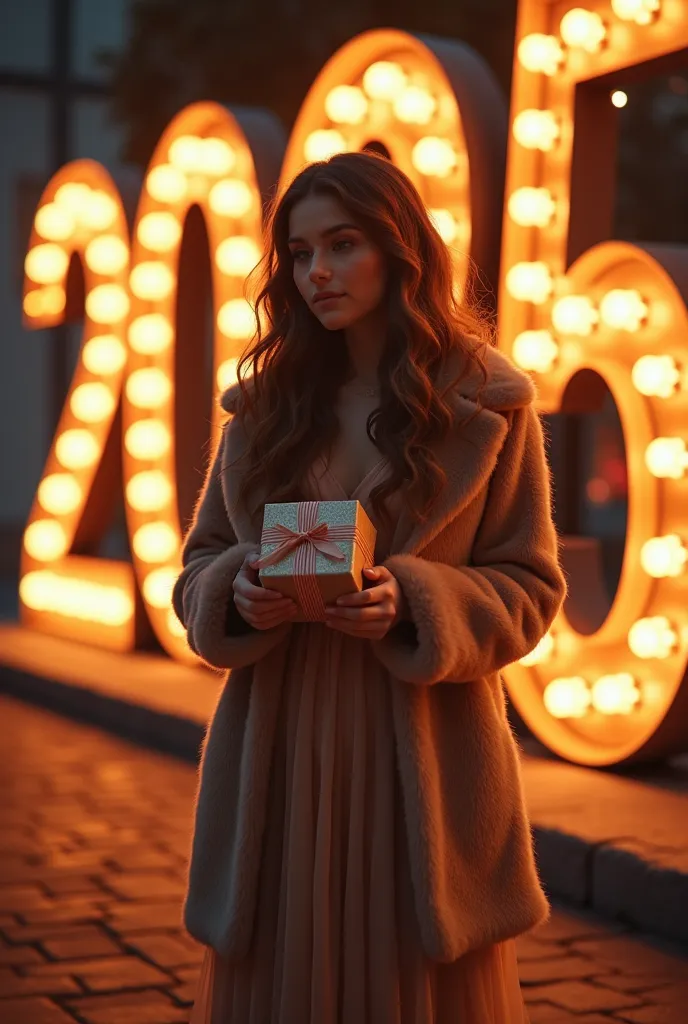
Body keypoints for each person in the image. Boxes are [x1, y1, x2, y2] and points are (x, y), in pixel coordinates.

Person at [173, 150, 567, 1023]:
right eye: (300, 253)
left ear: (400, 249)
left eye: (342, 244)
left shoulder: (490, 404)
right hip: (282, 745)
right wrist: (237, 591)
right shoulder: (265, 407)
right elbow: (198, 565)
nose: (317, 273)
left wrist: (418, 601)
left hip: (422, 755)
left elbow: (531, 587)